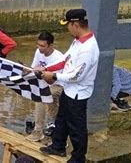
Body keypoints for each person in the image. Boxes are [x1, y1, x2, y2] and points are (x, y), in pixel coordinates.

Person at [37, 9, 100, 162]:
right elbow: (65, 59)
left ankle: (78, 158)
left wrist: (54, 76)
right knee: (62, 119)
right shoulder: (77, 40)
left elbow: (77, 76)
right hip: (69, 90)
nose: (67, 28)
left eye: (68, 25)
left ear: (75, 24)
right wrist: (47, 68)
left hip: (78, 93)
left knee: (77, 128)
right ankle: (58, 146)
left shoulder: (88, 48)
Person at [25, 31, 64, 142]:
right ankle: (54, 129)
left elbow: (55, 79)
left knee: (42, 98)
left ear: (51, 45)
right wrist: (25, 70)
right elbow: (34, 68)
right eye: (38, 45)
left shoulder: (58, 57)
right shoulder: (38, 52)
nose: (39, 48)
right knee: (52, 109)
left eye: (42, 46)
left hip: (58, 84)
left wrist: (41, 73)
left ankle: (39, 131)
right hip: (43, 83)